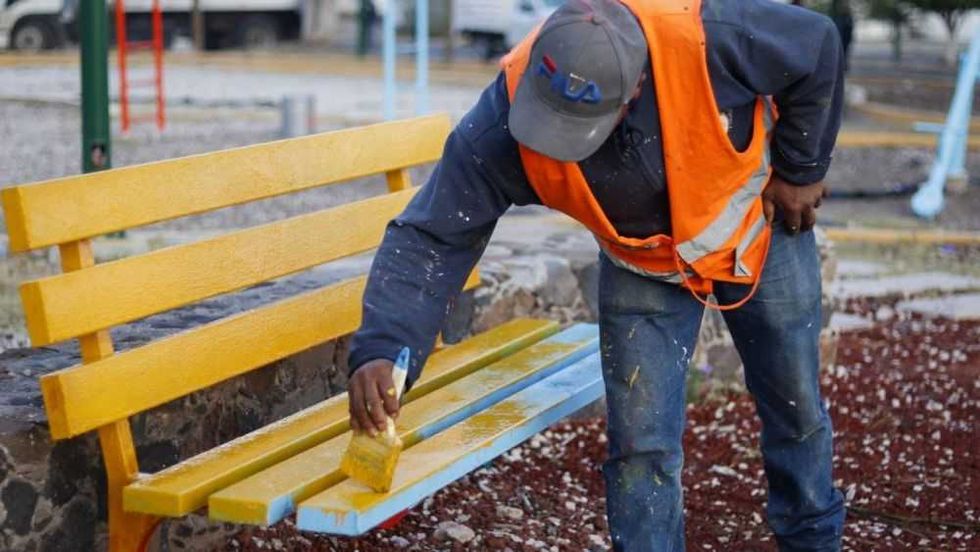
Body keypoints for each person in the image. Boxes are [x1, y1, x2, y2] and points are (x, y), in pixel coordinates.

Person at [345, 0, 846, 550]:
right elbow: (434, 233)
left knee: (794, 406)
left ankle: (813, 538)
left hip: (758, 232)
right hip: (644, 265)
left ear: (633, 92)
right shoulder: (502, 119)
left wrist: (802, 169)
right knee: (641, 446)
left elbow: (818, 45)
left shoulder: (712, 35)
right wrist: (384, 346)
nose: (553, 140)